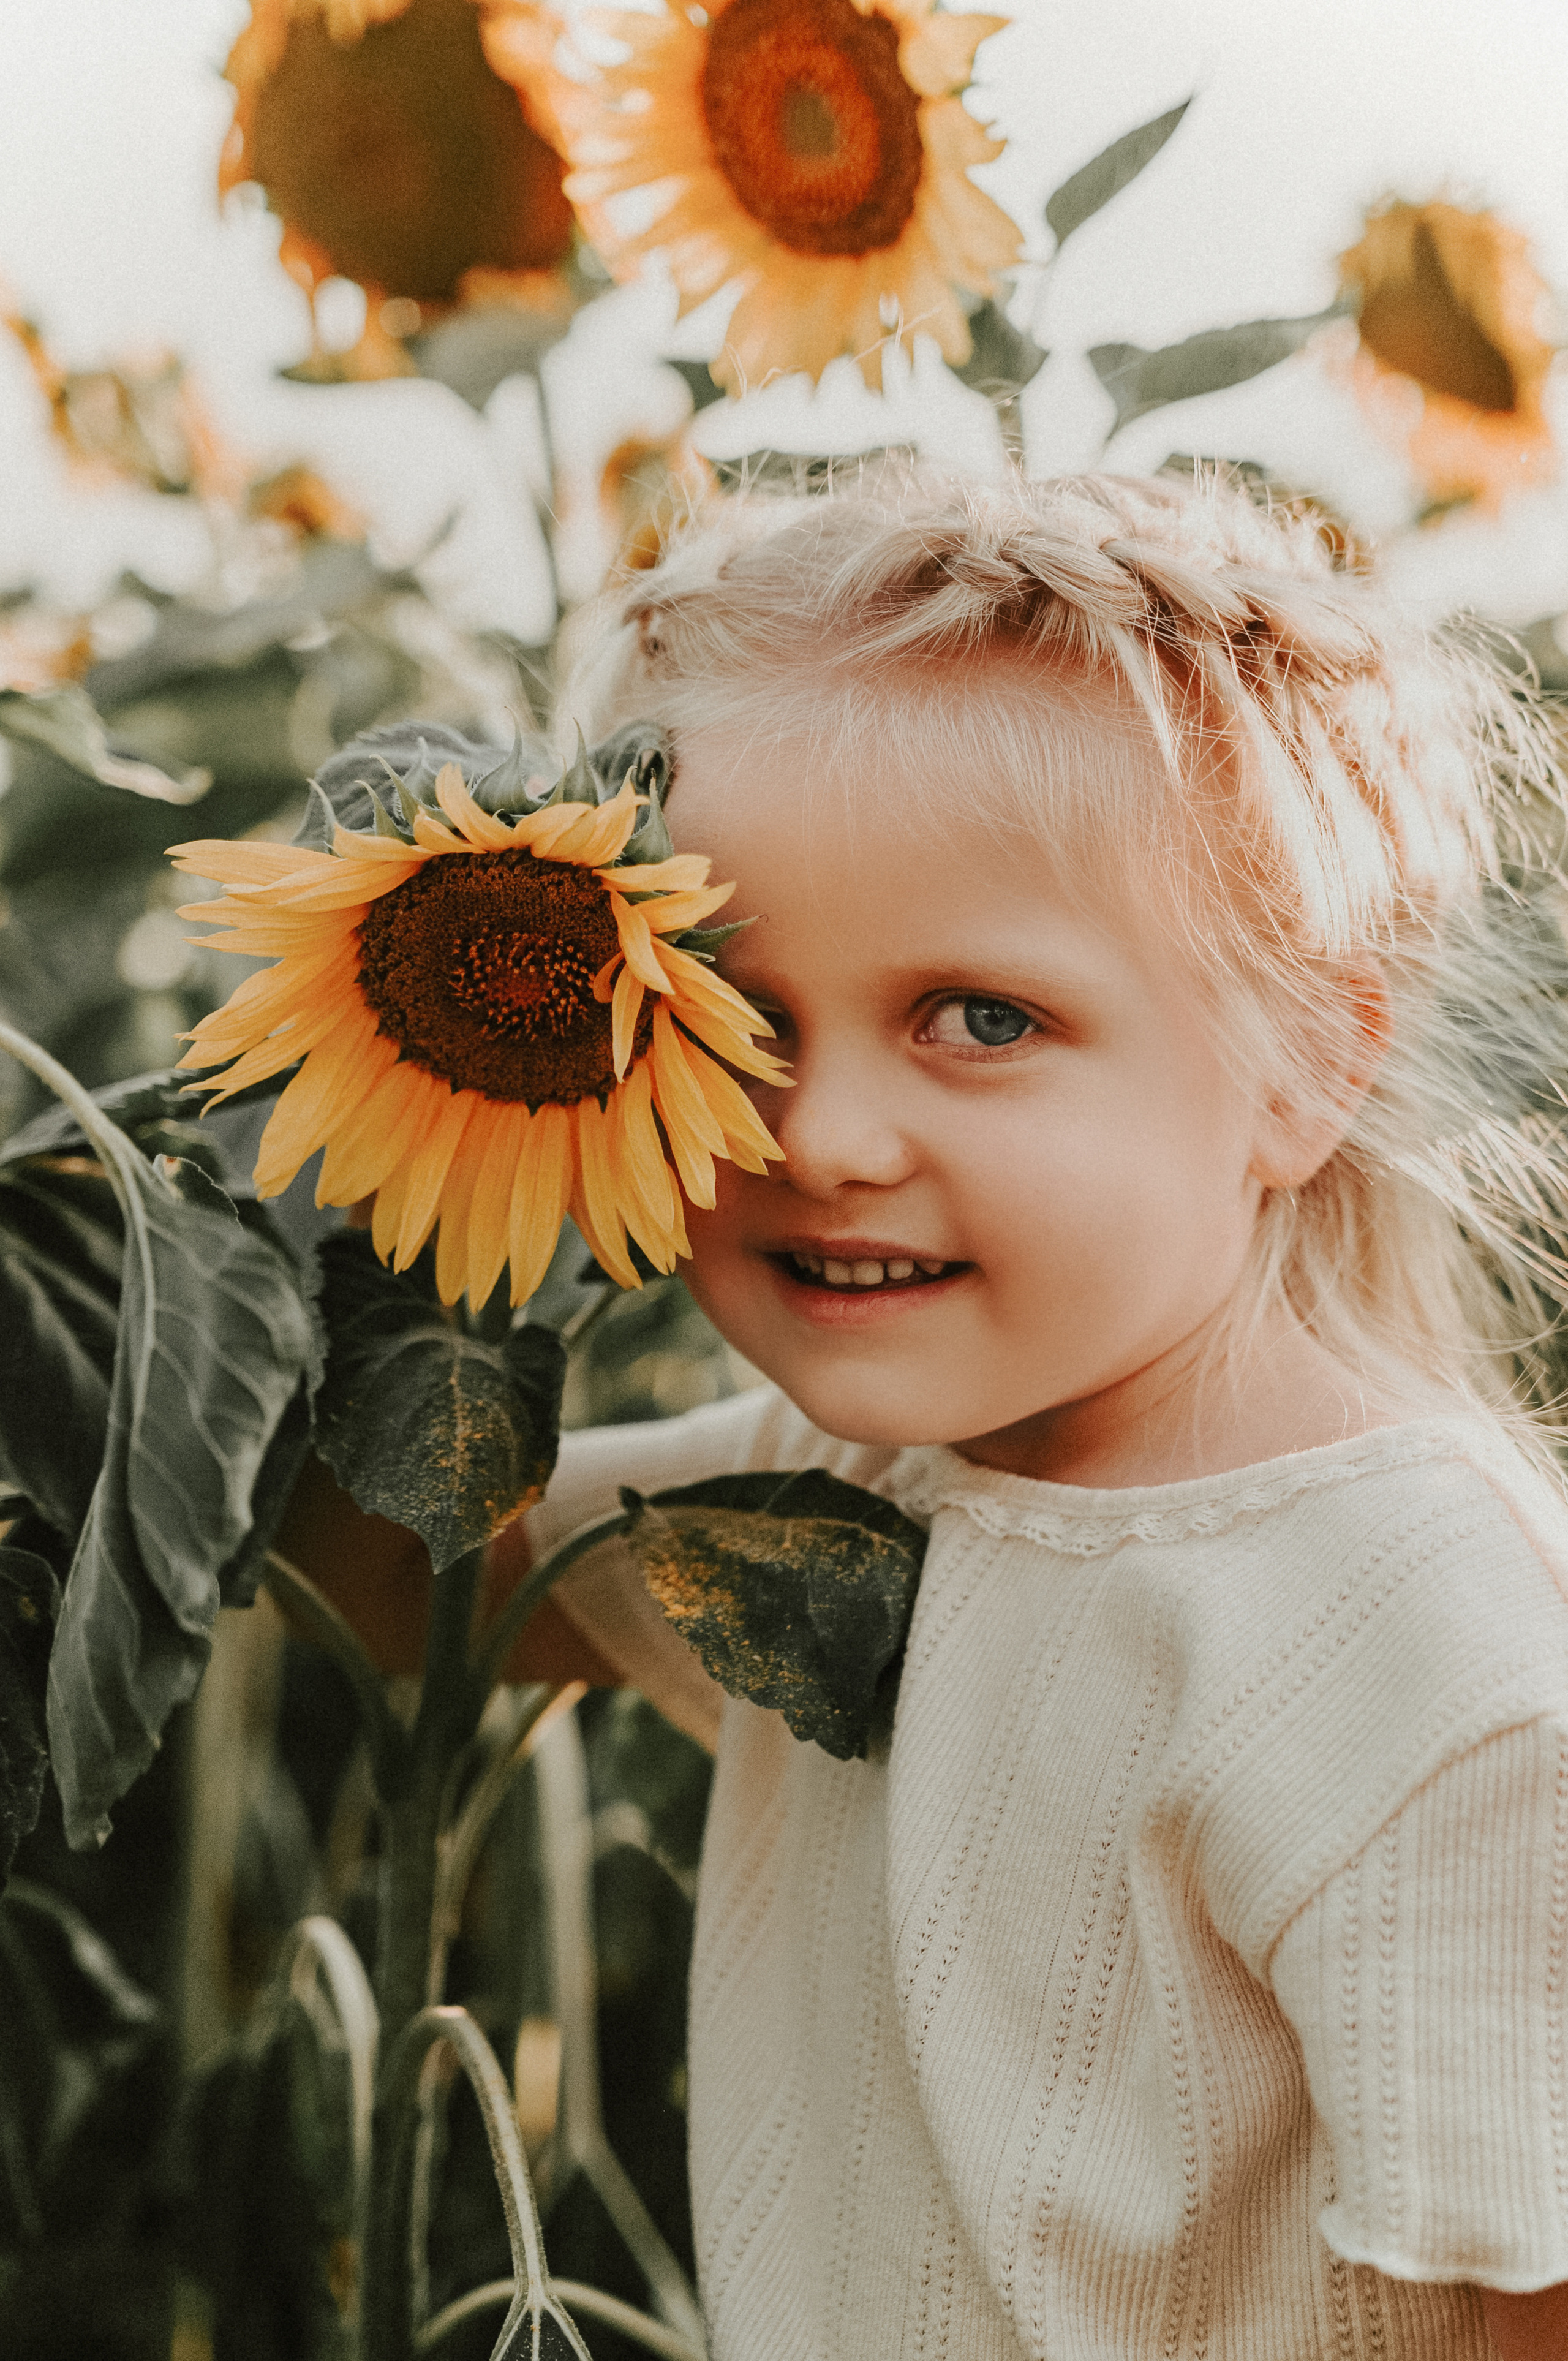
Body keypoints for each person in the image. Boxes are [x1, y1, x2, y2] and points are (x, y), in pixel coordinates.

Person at [492, 466, 1568, 2358]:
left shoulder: (1417, 1652)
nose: (820, 1136)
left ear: (1310, 1059)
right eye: (730, 1023)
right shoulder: (844, 1485)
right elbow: (435, 1566)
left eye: (979, 1018)